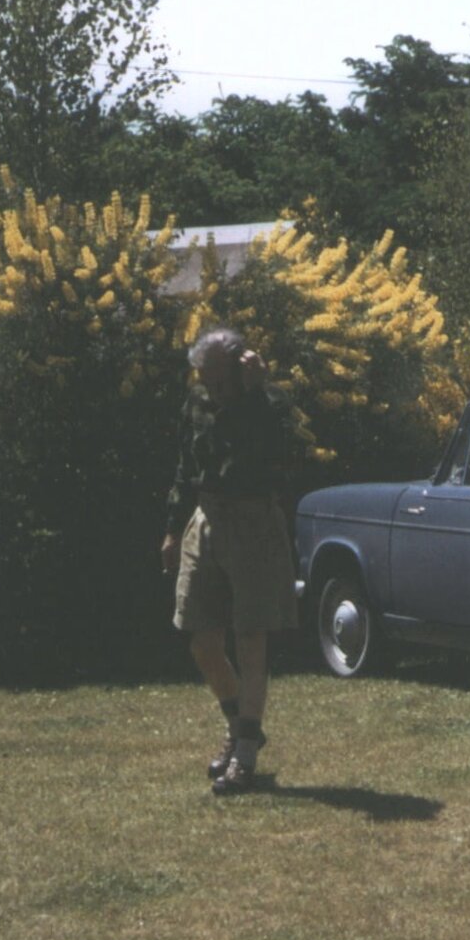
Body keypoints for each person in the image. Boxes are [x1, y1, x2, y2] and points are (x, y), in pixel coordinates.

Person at [160, 328, 299, 795]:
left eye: (220, 381)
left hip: (254, 522)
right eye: (207, 380)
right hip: (208, 518)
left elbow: (274, 453)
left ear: (242, 368)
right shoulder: (196, 401)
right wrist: (173, 529)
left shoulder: (269, 402)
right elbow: (185, 467)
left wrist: (254, 394)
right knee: (202, 639)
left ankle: (244, 754)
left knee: (251, 639)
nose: (213, 389)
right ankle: (241, 724)